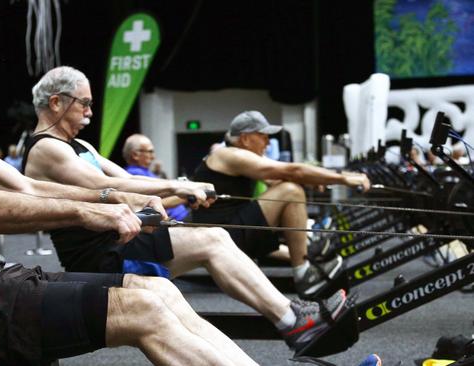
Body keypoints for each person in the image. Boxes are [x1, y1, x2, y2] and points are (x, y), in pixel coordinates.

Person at [0, 13, 263, 366]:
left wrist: (117, 199)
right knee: (144, 310)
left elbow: (26, 185)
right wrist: (89, 211)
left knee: (158, 290)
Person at [23, 66, 349, 354]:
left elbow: (127, 179)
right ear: (56, 102)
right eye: (85, 103)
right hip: (100, 252)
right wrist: (177, 187)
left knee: (211, 245)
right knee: (213, 240)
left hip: (123, 235)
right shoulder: (46, 149)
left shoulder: (81, 146)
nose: (90, 113)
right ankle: (294, 319)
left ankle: (292, 316)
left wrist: (184, 190)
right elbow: (104, 187)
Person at [191, 111, 371, 298]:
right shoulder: (230, 155)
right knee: (291, 191)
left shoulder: (236, 155)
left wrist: (314, 178)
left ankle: (306, 252)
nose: (268, 143)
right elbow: (292, 171)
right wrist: (344, 178)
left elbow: (279, 176)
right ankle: (304, 273)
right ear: (245, 138)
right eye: (264, 136)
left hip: (229, 229)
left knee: (289, 188)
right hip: (222, 234)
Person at [122, 134, 190, 221]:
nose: (153, 157)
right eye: (150, 152)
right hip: (176, 221)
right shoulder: (134, 174)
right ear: (135, 154)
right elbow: (151, 204)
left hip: (180, 218)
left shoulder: (145, 171)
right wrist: (188, 196)